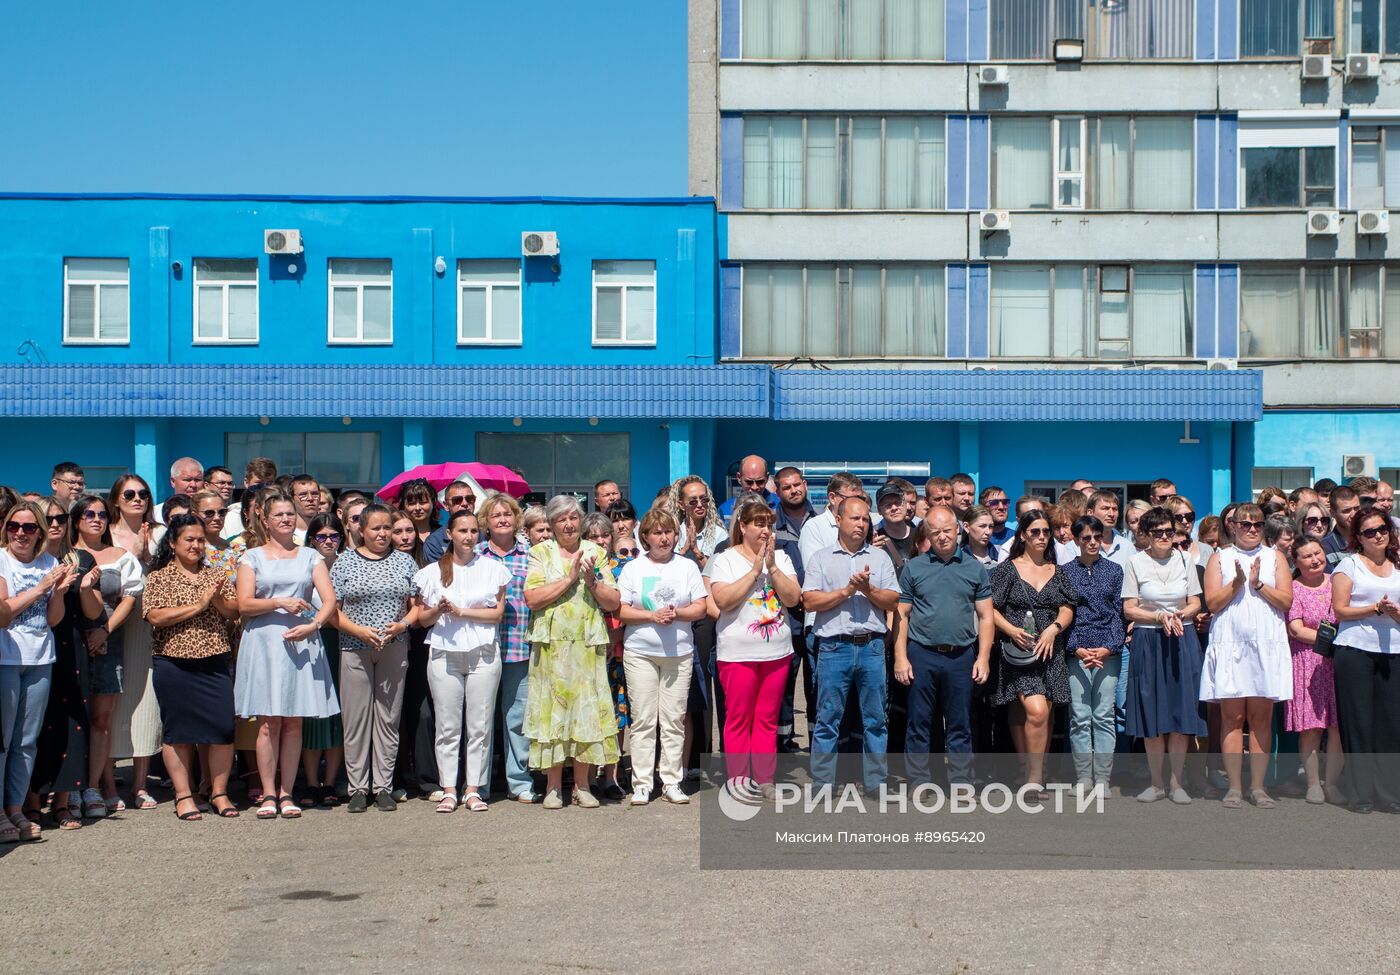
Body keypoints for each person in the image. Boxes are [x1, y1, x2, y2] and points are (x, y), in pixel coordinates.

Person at [234, 493, 340, 820]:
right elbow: (244, 604)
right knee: (268, 722)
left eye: (290, 514)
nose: (285, 519)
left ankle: (287, 792)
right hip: (265, 643)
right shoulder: (251, 557)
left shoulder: (310, 556)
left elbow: (329, 601)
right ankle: (268, 793)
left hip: (302, 641)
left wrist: (314, 626)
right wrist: (280, 601)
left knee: (294, 722)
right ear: (264, 520)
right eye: (278, 514)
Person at [522, 495, 621, 809]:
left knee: (586, 713)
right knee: (552, 714)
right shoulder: (540, 552)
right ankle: (553, 787)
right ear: (551, 524)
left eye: (573, 517)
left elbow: (613, 601)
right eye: (561, 519)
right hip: (551, 647)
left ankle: (582, 785)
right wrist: (568, 579)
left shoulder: (595, 552)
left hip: (586, 645)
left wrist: (591, 581)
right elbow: (533, 598)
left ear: (581, 521)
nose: (568, 524)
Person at [142, 514, 241, 820]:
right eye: (190, 539)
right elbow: (155, 616)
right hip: (174, 662)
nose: (197, 545)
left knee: (223, 728)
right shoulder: (158, 576)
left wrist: (217, 601)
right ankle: (183, 795)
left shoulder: (216, 574)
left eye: (200, 540)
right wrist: (197, 605)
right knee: (179, 732)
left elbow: (232, 610)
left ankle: (219, 792)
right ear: (172, 543)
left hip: (214, 660)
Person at [802, 495, 899, 795]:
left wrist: (867, 589)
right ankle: (822, 782)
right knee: (828, 718)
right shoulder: (821, 557)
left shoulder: (880, 558)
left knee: (875, 719)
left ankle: (875, 782)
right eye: (855, 518)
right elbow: (809, 600)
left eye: (865, 519)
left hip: (871, 646)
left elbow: (892, 600)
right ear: (839, 521)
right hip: (833, 646)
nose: (861, 524)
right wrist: (846, 591)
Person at [414, 508, 510, 814]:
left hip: (484, 653)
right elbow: (421, 618)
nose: (469, 537)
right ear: (450, 535)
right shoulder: (431, 572)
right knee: (447, 725)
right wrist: (440, 610)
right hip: (444, 653)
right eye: (462, 531)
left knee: (480, 724)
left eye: (473, 531)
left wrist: (461, 612)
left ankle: (473, 789)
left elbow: (496, 614)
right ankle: (449, 789)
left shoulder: (493, 568)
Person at [893, 507, 993, 787]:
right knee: (919, 722)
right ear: (927, 534)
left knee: (960, 722)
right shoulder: (914, 567)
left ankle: (961, 781)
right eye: (935, 532)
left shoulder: (974, 568)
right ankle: (919, 781)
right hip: (922, 653)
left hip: (962, 655)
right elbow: (901, 614)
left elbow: (986, 617)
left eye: (947, 530)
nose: (942, 537)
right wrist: (901, 656)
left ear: (958, 529)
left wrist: (983, 657)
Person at [708, 498, 800, 802]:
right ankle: (738, 778)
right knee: (738, 718)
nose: (765, 530)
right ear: (743, 526)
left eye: (769, 524)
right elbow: (723, 601)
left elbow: (792, 598)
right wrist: (754, 571)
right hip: (737, 653)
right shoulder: (725, 559)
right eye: (759, 524)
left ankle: (764, 778)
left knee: (767, 718)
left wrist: (771, 566)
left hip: (776, 652)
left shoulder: (783, 558)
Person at [1202, 504, 1294, 809]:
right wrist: (1238, 584)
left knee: (1260, 718)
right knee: (1232, 717)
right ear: (1233, 526)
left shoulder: (1275, 556)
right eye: (1245, 524)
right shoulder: (1220, 557)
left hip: (1265, 644)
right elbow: (1213, 603)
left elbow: (1285, 601)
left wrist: (1257, 584)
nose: (1252, 529)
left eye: (1257, 524)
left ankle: (1258, 787)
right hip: (1230, 643)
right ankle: (1235, 787)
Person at [331, 503, 420, 813]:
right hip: (353, 646)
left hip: (394, 645)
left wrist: (403, 625)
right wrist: (358, 631)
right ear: (361, 530)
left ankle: (382, 786)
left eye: (387, 528)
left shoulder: (405, 562)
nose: (382, 534)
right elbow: (333, 610)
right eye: (376, 528)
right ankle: (357, 787)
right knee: (355, 718)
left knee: (388, 717)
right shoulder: (343, 563)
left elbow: (417, 605)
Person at [616, 508, 707, 805]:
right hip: (641, 652)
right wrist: (651, 616)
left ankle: (671, 781)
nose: (664, 537)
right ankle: (642, 783)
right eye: (657, 532)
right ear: (645, 537)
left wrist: (676, 613)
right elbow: (621, 610)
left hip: (679, 653)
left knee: (674, 720)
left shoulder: (687, 568)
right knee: (643, 719)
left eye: (668, 532)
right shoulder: (633, 569)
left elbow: (700, 608)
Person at [0, 500, 77, 841]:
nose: (20, 533)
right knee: (2, 742)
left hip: (40, 659)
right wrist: (43, 587)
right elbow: (3, 614)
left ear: (40, 533)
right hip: (6, 659)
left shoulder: (50, 563)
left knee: (26, 742)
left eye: (29, 528)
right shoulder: (1, 560)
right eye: (14, 526)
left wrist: (58, 592)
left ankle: (15, 809)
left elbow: (53, 620)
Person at [1121, 507, 1206, 802]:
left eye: (1169, 532)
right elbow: (1129, 607)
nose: (1164, 537)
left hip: (1182, 637)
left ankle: (1176, 783)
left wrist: (1183, 613)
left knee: (1181, 710)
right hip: (1149, 639)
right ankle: (1156, 783)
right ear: (1145, 535)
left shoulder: (1185, 559)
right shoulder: (1136, 562)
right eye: (1157, 532)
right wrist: (1158, 616)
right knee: (1151, 711)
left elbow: (1195, 601)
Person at [989, 510, 1076, 797]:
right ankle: (1034, 778)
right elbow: (988, 607)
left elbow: (1067, 605)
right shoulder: (1006, 569)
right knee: (1036, 712)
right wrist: (1011, 630)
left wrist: (1054, 628)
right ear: (1023, 535)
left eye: (1046, 532)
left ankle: (1032, 770)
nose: (1042, 537)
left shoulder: (1057, 569)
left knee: (1045, 714)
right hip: (1020, 651)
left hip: (1051, 650)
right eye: (1035, 531)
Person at [70, 494, 144, 816]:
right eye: (88, 513)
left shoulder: (121, 556)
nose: (96, 519)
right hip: (70, 642)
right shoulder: (64, 555)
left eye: (101, 514)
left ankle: (92, 787)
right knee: (73, 718)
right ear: (76, 519)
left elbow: (129, 598)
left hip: (108, 641)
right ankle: (68, 788)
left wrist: (105, 631)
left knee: (101, 720)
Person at [1330, 507, 1400, 814]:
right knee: (1358, 723)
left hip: (1393, 651)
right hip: (1354, 650)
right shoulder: (1349, 565)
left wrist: (1395, 614)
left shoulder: (1398, 566)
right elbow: (1340, 610)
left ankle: (1388, 794)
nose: (1378, 535)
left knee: (1391, 725)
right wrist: (1374, 609)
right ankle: (1360, 795)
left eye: (1382, 528)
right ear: (1358, 537)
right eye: (1370, 531)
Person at [474, 493, 535, 803]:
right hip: (481, 648)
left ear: (516, 519)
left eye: (508, 514)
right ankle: (478, 786)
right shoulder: (474, 555)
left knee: (516, 718)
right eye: (495, 515)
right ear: (485, 522)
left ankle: (519, 783)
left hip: (520, 646)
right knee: (482, 720)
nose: (502, 519)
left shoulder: (531, 555)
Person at [1060, 515, 1125, 792]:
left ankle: (1103, 780)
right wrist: (1077, 648)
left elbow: (1119, 615)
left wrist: (1108, 647)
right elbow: (1064, 613)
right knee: (1080, 716)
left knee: (1103, 715)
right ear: (1076, 540)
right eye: (1086, 538)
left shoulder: (1115, 570)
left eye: (1097, 537)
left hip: (1107, 651)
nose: (1092, 542)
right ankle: (1084, 777)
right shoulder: (1064, 572)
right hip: (1077, 651)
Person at [1285, 536, 1345, 806]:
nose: (1315, 559)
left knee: (1337, 727)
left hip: (1337, 660)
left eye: (1318, 553)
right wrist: (1327, 640)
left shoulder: (1337, 582)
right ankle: (1312, 784)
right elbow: (1295, 628)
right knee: (1311, 728)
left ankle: (1331, 784)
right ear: (1296, 561)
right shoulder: (1293, 588)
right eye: (1307, 556)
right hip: (1307, 660)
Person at [299, 514, 346, 808]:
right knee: (312, 714)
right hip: (310, 644)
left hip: (342, 643)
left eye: (333, 536)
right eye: (321, 537)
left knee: (338, 714)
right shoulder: (302, 564)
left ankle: (330, 782)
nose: (328, 541)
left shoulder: (349, 563)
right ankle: (311, 782)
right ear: (312, 539)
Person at [671, 475, 726, 573]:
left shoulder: (719, 534)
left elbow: (720, 573)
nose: (700, 505)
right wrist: (684, 550)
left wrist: (696, 551)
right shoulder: (672, 533)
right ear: (681, 505)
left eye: (704, 499)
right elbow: (668, 570)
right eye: (693, 501)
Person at [220, 457, 277, 540]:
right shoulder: (229, 518)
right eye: (259, 484)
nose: (264, 489)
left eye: (269, 484)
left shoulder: (283, 514)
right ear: (246, 482)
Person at [423, 481, 479, 562]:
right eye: (457, 500)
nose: (465, 503)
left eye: (469, 499)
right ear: (446, 505)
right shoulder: (434, 542)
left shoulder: (484, 535)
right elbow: (436, 573)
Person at [109, 474, 156, 567]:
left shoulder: (161, 532)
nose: (137, 499)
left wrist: (148, 557)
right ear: (115, 501)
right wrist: (134, 556)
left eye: (143, 494)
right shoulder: (106, 535)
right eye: (129, 494)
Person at [872, 484, 917, 574]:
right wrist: (871, 553)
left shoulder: (919, 535)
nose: (894, 508)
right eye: (888, 505)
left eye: (898, 502)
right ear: (879, 511)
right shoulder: (875, 540)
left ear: (905, 504)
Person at [718, 456, 776, 523]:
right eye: (749, 482)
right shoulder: (725, 510)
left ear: (767, 478)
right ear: (739, 478)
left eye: (760, 482)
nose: (754, 487)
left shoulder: (780, 507)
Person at [1322, 487, 1362, 571]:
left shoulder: (1370, 538)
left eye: (1356, 508)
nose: (1354, 515)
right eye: (1347, 511)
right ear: (1332, 513)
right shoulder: (1325, 547)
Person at [155, 458, 205, 524]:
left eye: (197, 480)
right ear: (173, 481)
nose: (193, 485)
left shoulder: (215, 513)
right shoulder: (155, 515)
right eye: (187, 480)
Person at [398, 478, 440, 547]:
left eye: (423, 502)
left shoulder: (443, 534)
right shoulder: (397, 536)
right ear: (403, 506)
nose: (418, 508)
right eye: (412, 503)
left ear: (433, 502)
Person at [979, 486, 1015, 550]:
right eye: (994, 503)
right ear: (983, 508)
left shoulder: (1016, 538)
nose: (1001, 507)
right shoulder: (976, 538)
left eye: (1004, 502)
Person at [289, 475, 322, 543]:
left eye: (315, 494)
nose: (310, 498)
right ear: (291, 499)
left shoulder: (330, 531)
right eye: (303, 495)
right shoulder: (286, 533)